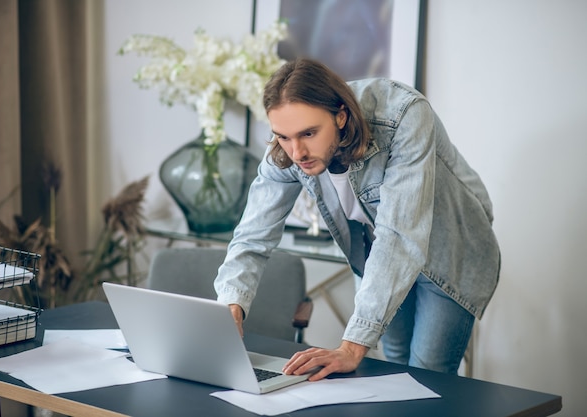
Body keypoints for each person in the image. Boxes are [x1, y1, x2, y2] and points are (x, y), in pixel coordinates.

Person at [214, 58, 500, 381]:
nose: (296, 152)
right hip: (379, 257)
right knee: (393, 366)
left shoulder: (404, 115)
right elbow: (253, 234)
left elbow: (399, 237)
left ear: (340, 115)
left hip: (450, 252)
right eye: (282, 136)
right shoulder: (291, 143)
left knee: (427, 371)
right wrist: (230, 308)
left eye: (309, 133)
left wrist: (351, 348)